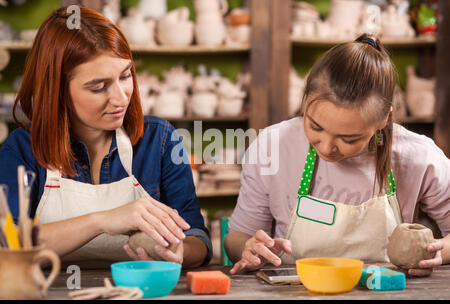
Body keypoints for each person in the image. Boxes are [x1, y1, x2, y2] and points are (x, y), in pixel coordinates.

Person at [0, 6, 211, 268]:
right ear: (58, 91)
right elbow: (8, 245)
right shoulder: (21, 150)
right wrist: (101, 221)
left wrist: (180, 253)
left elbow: (198, 240)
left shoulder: (160, 140)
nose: (121, 97)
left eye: (125, 76)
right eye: (98, 87)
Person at [225, 34, 450, 277]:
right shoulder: (272, 146)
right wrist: (249, 249)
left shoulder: (417, 156)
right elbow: (237, 238)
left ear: (384, 118)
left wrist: (439, 253)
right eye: (315, 127)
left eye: (348, 139)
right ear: (305, 101)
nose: (327, 147)